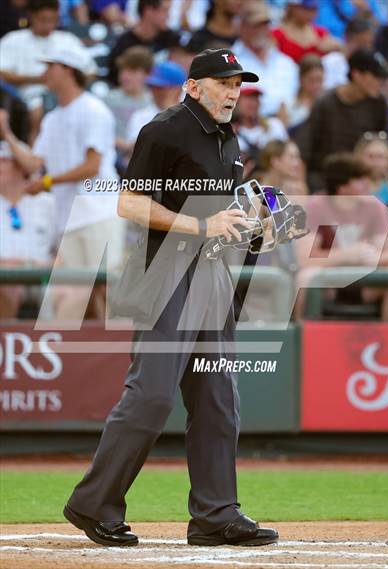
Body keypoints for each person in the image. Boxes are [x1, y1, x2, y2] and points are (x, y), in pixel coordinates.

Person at [63, 47, 279, 549]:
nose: (233, 91)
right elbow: (130, 202)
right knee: (154, 394)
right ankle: (93, 503)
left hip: (209, 274)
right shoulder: (164, 128)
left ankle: (215, 514)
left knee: (218, 399)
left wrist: (254, 225)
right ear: (194, 86)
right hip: (161, 271)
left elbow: (222, 213)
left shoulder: (229, 139)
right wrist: (203, 223)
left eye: (238, 83)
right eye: (224, 82)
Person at [1, 45, 125, 318]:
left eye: (50, 66)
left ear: (68, 70)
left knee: (105, 290)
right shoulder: (53, 118)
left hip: (98, 214)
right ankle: (76, 358)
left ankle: (123, 358)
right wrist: (6, 133)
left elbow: (91, 167)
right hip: (69, 218)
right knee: (74, 295)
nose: (43, 73)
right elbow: (34, 163)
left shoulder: (93, 109)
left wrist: (45, 183)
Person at [294, 152, 388, 321]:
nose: (368, 184)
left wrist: (368, 257)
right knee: (306, 278)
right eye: (360, 180)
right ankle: (302, 340)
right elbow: (305, 258)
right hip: (329, 282)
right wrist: (347, 255)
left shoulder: (375, 207)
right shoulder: (316, 206)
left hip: (367, 281)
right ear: (342, 187)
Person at [0, 0, 95, 141]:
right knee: (38, 111)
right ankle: (34, 157)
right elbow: (2, 73)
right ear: (31, 16)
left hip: (67, 93)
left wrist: (67, 82)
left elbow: (91, 70)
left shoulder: (67, 40)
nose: (48, 25)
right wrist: (39, 79)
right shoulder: (13, 39)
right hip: (28, 94)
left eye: (53, 19)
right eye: (43, 19)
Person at [301, 48, 388, 192]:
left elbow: (379, 141)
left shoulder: (379, 103)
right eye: (375, 76)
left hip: (362, 177)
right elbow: (306, 148)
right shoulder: (325, 103)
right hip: (324, 178)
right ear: (356, 74)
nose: (379, 82)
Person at [0, 138, 56, 319]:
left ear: (23, 166)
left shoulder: (48, 203)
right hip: (4, 278)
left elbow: (62, 251)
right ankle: (7, 346)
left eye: (4, 160)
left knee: (70, 292)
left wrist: (41, 266)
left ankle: (52, 345)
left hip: (42, 278)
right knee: (7, 288)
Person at [232, 2, 298, 117]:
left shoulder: (286, 63)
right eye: (256, 25)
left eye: (265, 24)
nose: (261, 30)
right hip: (246, 127)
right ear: (242, 26)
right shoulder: (230, 62)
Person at [102, 46, 153, 172]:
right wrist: (124, 145)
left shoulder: (152, 100)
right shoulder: (108, 99)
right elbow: (101, 131)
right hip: (115, 156)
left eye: (132, 71)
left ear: (147, 74)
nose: (125, 76)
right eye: (122, 71)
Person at [107, 0, 180, 85]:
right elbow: (115, 78)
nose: (168, 16)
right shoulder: (123, 44)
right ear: (148, 11)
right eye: (164, 10)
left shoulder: (172, 39)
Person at [126, 60, 187, 150]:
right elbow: (135, 150)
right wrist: (166, 113)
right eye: (153, 87)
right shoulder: (141, 115)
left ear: (177, 89)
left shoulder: (191, 111)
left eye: (161, 88)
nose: (155, 91)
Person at [271, 0, 342, 64]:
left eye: (315, 8)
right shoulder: (276, 35)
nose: (313, 13)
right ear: (293, 7)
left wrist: (337, 47)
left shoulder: (321, 33)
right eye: (308, 8)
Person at [233, 86, 288, 162]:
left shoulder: (274, 125)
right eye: (249, 98)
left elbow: (286, 153)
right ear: (237, 102)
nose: (254, 103)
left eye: (256, 98)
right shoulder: (231, 133)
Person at [322, 17, 375, 90]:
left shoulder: (372, 63)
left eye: (369, 44)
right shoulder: (331, 62)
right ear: (348, 38)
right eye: (362, 43)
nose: (366, 48)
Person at [354, 132, 388, 205]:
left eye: (380, 156)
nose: (376, 162)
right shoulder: (352, 186)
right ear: (359, 158)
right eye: (370, 156)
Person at [285, 53, 324, 130]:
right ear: (301, 79)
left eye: (319, 80)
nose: (316, 86)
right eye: (311, 80)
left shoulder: (329, 103)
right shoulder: (287, 103)